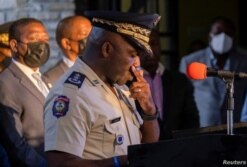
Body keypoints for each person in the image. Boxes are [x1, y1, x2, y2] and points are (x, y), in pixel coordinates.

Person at [44, 10, 161, 167]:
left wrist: (149, 112)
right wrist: (119, 162)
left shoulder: (121, 88)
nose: (137, 64)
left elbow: (147, 152)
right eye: (132, 55)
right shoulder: (72, 94)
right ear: (107, 49)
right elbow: (60, 163)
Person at [179, 16, 247, 127]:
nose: (223, 37)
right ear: (209, 37)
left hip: (236, 127)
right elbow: (182, 101)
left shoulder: (246, 61)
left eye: (228, 33)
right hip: (202, 128)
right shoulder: (190, 62)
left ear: (234, 38)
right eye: (218, 33)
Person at [0, 18, 50, 167]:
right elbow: (15, 143)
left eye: (45, 39)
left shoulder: (42, 78)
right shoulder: (5, 83)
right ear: (14, 45)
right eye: (34, 39)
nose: (42, 44)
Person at [140, 29, 199, 139]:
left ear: (160, 46)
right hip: (144, 149)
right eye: (144, 45)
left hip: (177, 149)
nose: (149, 50)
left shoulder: (180, 81)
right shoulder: (128, 83)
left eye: (154, 44)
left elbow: (192, 121)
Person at [43, 15, 92, 85]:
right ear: (67, 44)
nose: (92, 38)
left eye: (92, 33)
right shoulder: (51, 79)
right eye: (85, 35)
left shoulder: (99, 68)